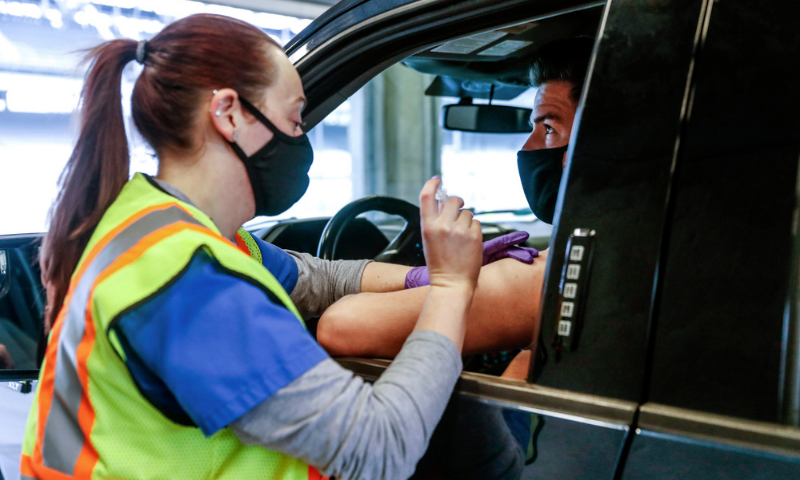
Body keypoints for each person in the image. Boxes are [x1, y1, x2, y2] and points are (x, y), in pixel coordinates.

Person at [21, 14, 491, 480]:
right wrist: (451, 288)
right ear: (228, 112)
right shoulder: (188, 282)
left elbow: (314, 279)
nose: (300, 138)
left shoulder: (162, 228)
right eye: (294, 118)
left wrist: (422, 275)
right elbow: (380, 447)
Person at [316, 37, 594, 362]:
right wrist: (425, 279)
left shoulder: (556, 270)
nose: (527, 148)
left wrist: (451, 283)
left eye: (548, 128)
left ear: (599, 142)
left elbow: (342, 326)